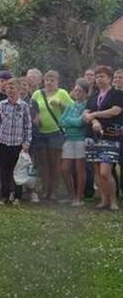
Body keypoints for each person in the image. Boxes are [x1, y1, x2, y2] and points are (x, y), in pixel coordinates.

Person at [82, 66, 122, 211]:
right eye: (97, 76)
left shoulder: (117, 94)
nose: (99, 79)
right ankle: (103, 200)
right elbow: (85, 114)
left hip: (110, 137)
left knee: (106, 171)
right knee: (97, 171)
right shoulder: (93, 96)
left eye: (102, 76)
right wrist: (94, 120)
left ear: (110, 78)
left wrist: (94, 115)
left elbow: (115, 111)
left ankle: (113, 201)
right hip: (92, 137)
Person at [32, 70, 72, 203]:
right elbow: (32, 108)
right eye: (47, 80)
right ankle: (45, 189)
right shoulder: (37, 93)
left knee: (55, 163)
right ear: (43, 81)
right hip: (41, 133)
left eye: (52, 80)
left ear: (57, 81)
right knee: (44, 164)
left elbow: (73, 108)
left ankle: (54, 191)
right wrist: (36, 117)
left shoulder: (62, 93)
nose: (49, 82)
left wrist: (60, 104)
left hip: (56, 132)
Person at [0, 78, 32, 204]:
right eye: (8, 88)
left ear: (19, 90)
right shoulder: (2, 105)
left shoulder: (24, 106)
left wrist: (27, 142)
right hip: (4, 142)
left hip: (18, 143)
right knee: (5, 170)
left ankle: (17, 196)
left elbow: (27, 125)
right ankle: (5, 195)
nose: (10, 91)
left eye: (13, 88)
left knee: (18, 170)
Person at [60, 79, 89, 207]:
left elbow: (81, 123)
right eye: (76, 90)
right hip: (68, 139)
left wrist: (70, 121)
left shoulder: (87, 106)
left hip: (80, 140)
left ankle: (79, 197)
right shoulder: (70, 105)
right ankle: (70, 194)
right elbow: (61, 121)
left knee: (79, 170)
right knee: (65, 169)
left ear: (85, 93)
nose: (77, 93)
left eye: (80, 91)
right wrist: (74, 121)